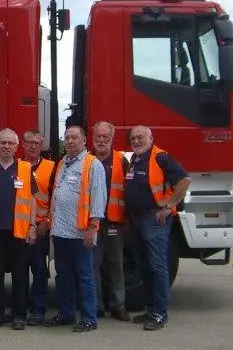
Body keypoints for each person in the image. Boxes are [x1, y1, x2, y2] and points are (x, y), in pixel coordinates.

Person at [124, 125, 191, 331]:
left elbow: (184, 180)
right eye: (133, 138)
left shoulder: (161, 157)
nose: (136, 141)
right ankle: (151, 309)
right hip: (136, 220)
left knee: (158, 267)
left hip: (154, 220)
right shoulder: (135, 159)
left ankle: (160, 313)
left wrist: (169, 206)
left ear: (151, 138)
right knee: (144, 267)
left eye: (140, 137)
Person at [45, 125, 106, 332]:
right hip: (60, 231)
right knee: (63, 276)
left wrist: (92, 228)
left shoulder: (92, 164)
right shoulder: (63, 163)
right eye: (67, 137)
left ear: (84, 141)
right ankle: (66, 314)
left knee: (85, 276)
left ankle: (89, 318)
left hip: (81, 232)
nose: (70, 141)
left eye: (74, 138)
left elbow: (99, 198)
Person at [0, 128, 37, 330]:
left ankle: (19, 315)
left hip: (19, 231)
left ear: (16, 146)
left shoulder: (26, 168)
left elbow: (32, 200)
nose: (6, 146)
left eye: (10, 143)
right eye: (2, 143)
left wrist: (32, 226)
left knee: (20, 275)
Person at [89, 122, 132, 322]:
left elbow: (130, 191)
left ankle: (118, 306)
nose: (101, 140)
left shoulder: (121, 160)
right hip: (91, 223)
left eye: (105, 136)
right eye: (98, 136)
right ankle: (96, 306)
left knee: (116, 264)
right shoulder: (86, 160)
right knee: (93, 265)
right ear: (93, 137)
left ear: (112, 138)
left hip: (114, 222)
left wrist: (128, 219)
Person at [21, 129, 56, 326]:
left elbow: (55, 200)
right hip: (19, 227)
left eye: (37, 143)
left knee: (39, 269)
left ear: (42, 146)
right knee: (20, 270)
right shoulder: (16, 166)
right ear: (23, 144)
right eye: (29, 142)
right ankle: (21, 307)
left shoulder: (51, 167)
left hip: (41, 227)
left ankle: (38, 309)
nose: (33, 146)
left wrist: (47, 223)